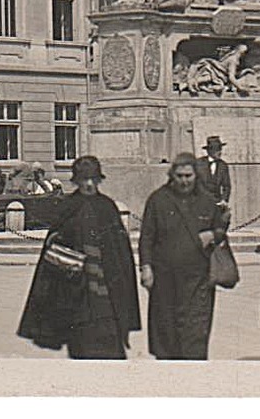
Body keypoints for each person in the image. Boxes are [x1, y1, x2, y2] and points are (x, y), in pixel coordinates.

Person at [17, 156, 141, 358]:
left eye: (93, 179)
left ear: (99, 180)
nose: (89, 184)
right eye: (84, 179)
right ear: (76, 181)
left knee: (112, 352)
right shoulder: (68, 208)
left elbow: (121, 255)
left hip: (106, 297)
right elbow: (52, 254)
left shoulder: (107, 207)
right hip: (76, 295)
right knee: (82, 351)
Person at [139, 153, 229, 360]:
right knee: (166, 337)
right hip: (164, 280)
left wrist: (214, 234)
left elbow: (220, 230)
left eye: (188, 176)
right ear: (172, 175)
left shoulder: (207, 200)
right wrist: (146, 267)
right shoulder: (158, 199)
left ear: (196, 175)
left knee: (195, 338)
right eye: (179, 176)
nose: (184, 181)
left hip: (198, 282)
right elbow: (147, 236)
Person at [196, 135, 232, 204]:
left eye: (220, 149)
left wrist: (224, 200)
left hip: (217, 203)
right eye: (217, 149)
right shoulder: (198, 164)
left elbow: (227, 186)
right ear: (209, 151)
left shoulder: (223, 166)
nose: (220, 152)